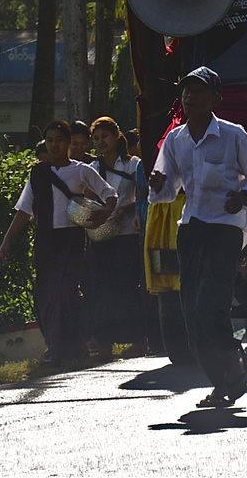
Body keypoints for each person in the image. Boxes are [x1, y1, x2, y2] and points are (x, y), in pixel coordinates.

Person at [149, 67, 247, 408]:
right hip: (192, 227)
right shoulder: (175, 139)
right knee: (190, 312)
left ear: (216, 98)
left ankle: (231, 358)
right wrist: (158, 185)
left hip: (226, 227)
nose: (191, 97)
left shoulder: (234, 135)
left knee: (209, 304)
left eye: (199, 91)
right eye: (186, 90)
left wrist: (242, 197)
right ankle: (221, 381)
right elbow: (168, 189)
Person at [0, 119, 117, 368]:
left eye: (60, 140)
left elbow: (109, 194)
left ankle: (75, 343)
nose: (55, 145)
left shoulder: (81, 170)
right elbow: (23, 209)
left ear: (68, 142)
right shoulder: (38, 173)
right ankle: (56, 348)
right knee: (46, 295)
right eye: (50, 140)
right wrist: (7, 239)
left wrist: (105, 214)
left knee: (66, 292)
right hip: (45, 240)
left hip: (72, 238)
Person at [85, 117, 147, 355]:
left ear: (116, 136)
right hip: (100, 235)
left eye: (105, 136)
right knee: (101, 289)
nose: (101, 142)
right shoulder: (92, 170)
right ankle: (104, 342)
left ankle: (139, 338)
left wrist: (126, 209)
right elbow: (88, 200)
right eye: (96, 138)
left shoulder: (133, 165)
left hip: (128, 233)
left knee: (128, 287)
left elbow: (142, 194)